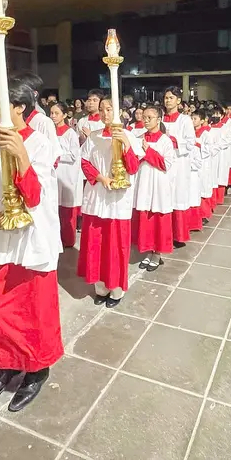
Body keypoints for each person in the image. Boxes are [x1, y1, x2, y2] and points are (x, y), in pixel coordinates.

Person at [0, 80, 63, 411]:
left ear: (20, 107)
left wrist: (21, 155)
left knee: (31, 309)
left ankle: (36, 369)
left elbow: (36, 196)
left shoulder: (40, 143)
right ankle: (6, 361)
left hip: (31, 238)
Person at [77, 98, 143, 307]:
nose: (105, 113)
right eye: (103, 109)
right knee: (96, 244)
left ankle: (116, 290)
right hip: (97, 195)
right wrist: (101, 178)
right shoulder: (94, 137)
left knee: (115, 245)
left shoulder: (129, 136)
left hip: (117, 200)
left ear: (119, 112)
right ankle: (100, 288)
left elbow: (132, 168)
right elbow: (85, 162)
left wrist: (124, 143)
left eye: (110, 109)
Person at [133, 106, 175, 271]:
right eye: (144, 117)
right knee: (145, 216)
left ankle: (157, 254)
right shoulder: (139, 137)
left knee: (158, 217)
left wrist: (148, 151)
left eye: (150, 117)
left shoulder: (165, 140)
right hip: (143, 181)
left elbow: (166, 164)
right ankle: (148, 251)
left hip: (158, 183)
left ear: (159, 120)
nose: (146, 120)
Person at [162, 87, 196, 245]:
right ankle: (164, 233)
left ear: (178, 101)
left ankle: (179, 235)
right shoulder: (160, 118)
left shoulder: (185, 120)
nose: (167, 100)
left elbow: (190, 143)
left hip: (179, 162)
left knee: (178, 196)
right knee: (164, 197)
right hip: (163, 163)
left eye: (171, 97)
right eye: (166, 97)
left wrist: (173, 140)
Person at [50, 102, 82, 247]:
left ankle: (67, 240)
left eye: (56, 113)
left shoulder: (70, 133)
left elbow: (74, 155)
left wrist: (57, 156)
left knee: (67, 209)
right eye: (51, 113)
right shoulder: (50, 132)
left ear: (64, 115)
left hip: (67, 174)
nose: (53, 116)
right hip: (54, 175)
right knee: (54, 208)